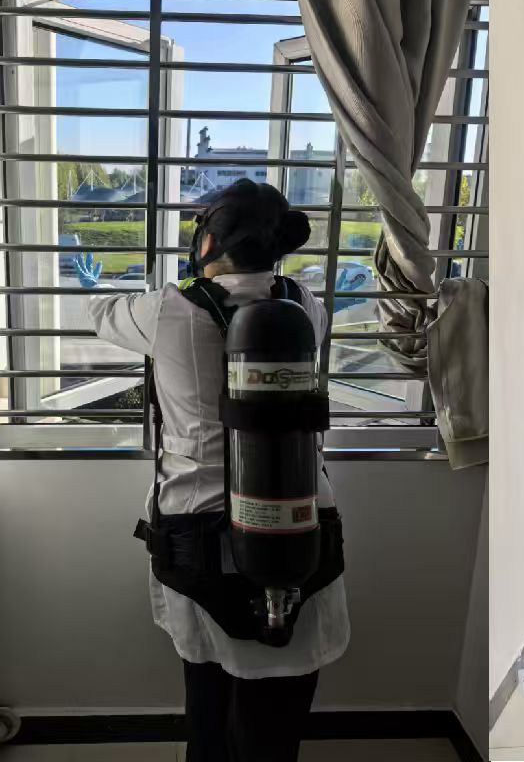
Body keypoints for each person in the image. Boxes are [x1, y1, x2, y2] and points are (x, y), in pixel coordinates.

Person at [75, 179, 367, 762]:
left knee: (207, 701)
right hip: (303, 533)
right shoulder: (305, 306)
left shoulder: (167, 309)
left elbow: (100, 314)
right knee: (277, 721)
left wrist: (101, 286)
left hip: (197, 540)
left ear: (207, 240)